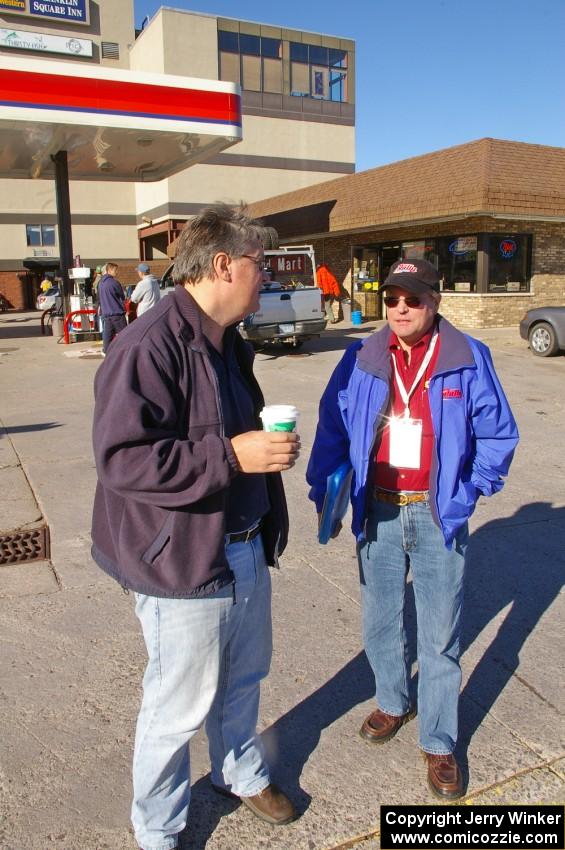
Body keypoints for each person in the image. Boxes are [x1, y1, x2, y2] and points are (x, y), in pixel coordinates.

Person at [91, 205, 300, 850]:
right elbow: (122, 458)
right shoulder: (147, 345)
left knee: (244, 676)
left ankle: (238, 772)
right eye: (259, 265)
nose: (264, 276)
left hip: (241, 547)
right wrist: (236, 455)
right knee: (175, 708)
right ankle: (157, 828)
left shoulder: (228, 341)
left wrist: (261, 476)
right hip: (180, 562)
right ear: (222, 265)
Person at [306, 258, 518, 800]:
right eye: (394, 298)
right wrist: (323, 489)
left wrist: (469, 491)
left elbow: (498, 435)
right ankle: (393, 701)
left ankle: (440, 739)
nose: (402, 308)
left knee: (440, 632)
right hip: (376, 508)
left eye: (414, 298)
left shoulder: (469, 358)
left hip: (434, 512)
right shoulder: (361, 357)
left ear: (435, 301)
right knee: (379, 620)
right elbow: (331, 424)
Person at [97, 262, 126, 353]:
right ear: (109, 270)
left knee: (107, 336)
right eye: (115, 270)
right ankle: (125, 352)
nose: (116, 272)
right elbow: (122, 296)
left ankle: (107, 352)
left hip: (106, 314)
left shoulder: (100, 283)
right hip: (117, 313)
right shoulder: (114, 282)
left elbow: (99, 298)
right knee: (125, 335)